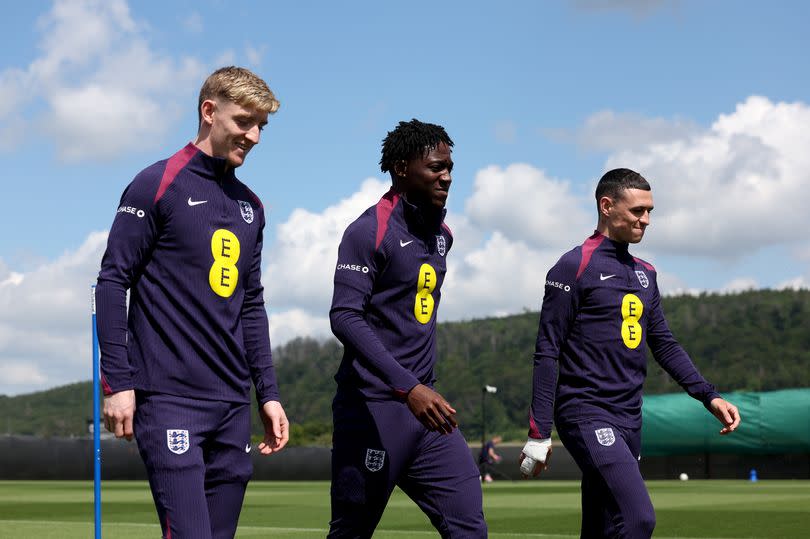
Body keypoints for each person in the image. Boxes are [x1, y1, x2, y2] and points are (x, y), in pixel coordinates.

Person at [96, 66, 289, 539]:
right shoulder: (156, 183)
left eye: (261, 125)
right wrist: (118, 382)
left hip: (230, 402)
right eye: (245, 121)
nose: (255, 135)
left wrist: (267, 392)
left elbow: (251, 305)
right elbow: (111, 280)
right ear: (209, 112)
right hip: (168, 399)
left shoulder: (252, 207)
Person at [519, 168, 741, 538]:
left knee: (602, 526)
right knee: (638, 519)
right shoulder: (573, 266)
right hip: (585, 412)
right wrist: (539, 432)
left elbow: (664, 344)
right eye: (638, 210)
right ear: (607, 207)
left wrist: (709, 395)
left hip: (630, 417)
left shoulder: (646, 273)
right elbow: (547, 352)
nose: (647, 220)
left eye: (650, 211)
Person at [328, 119, 487, 538]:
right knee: (351, 531)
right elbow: (344, 316)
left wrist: (420, 389)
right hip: (373, 409)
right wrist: (407, 386)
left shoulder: (442, 236)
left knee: (470, 528)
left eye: (450, 166)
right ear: (402, 168)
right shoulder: (368, 231)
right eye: (436, 167)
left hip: (427, 414)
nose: (447, 176)